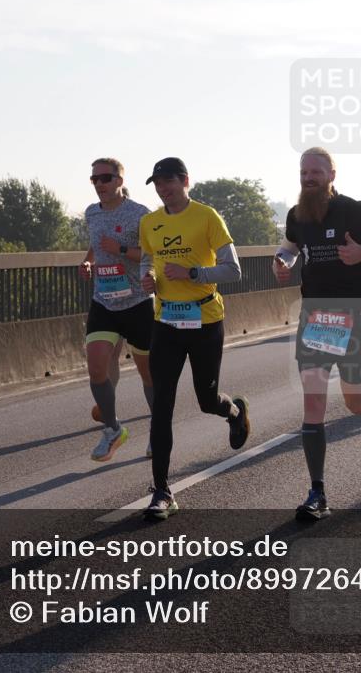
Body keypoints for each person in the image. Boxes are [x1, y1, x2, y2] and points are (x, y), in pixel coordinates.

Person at [272, 147, 361, 521]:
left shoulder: (355, 211)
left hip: (354, 314)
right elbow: (290, 248)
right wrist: (283, 261)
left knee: (352, 402)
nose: (308, 178)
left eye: (315, 171)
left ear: (332, 174)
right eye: (303, 172)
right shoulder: (296, 214)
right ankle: (318, 492)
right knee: (313, 403)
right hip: (315, 317)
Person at [138, 157, 250, 520]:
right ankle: (161, 491)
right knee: (162, 406)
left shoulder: (207, 216)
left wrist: (192, 272)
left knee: (206, 399)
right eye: (157, 183)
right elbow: (146, 259)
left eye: (168, 182)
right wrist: (147, 278)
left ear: (185, 181)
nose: (162, 189)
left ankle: (233, 411)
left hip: (204, 319)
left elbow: (233, 270)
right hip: (166, 321)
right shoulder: (149, 222)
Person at [81, 158, 154, 462]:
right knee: (96, 366)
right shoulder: (91, 213)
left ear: (121, 180)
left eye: (106, 178)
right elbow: (96, 246)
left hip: (137, 303)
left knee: (149, 375)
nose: (100, 184)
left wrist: (121, 250)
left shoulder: (140, 215)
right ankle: (112, 430)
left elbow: (152, 256)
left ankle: (158, 428)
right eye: (94, 179)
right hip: (104, 301)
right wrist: (89, 261)